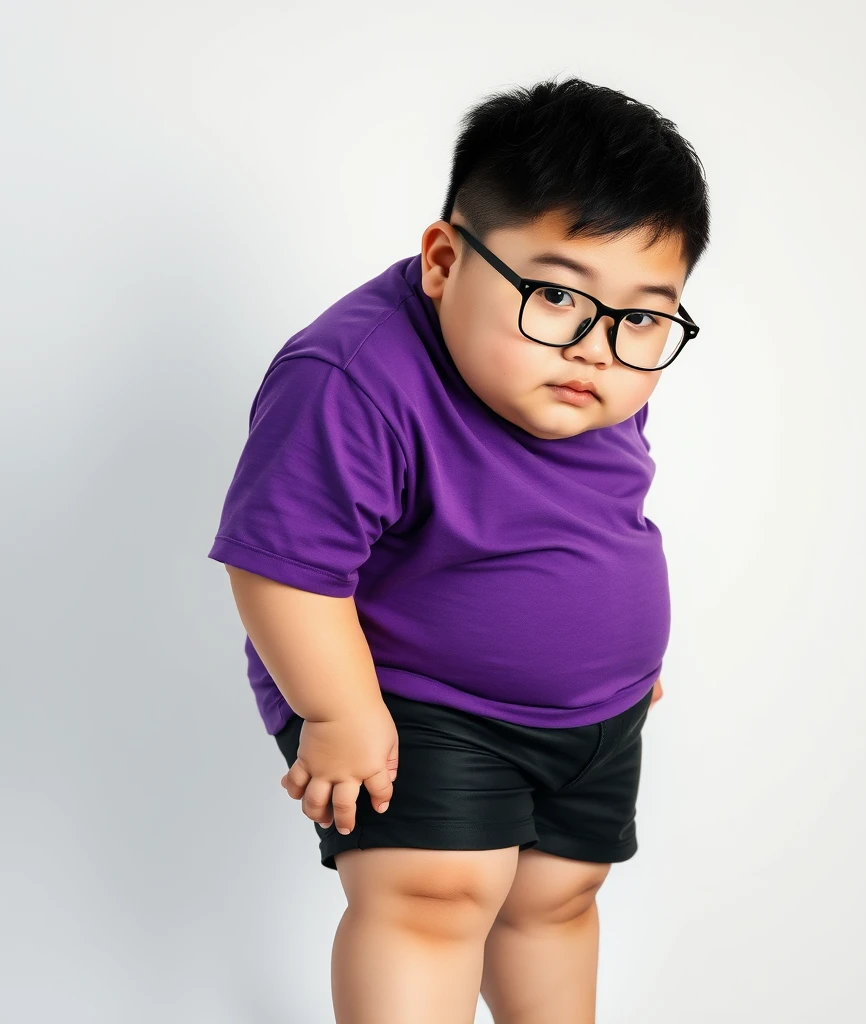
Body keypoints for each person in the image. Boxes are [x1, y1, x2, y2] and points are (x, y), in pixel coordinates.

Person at [207, 75, 710, 1024]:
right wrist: (339, 712)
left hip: (592, 716)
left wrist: (611, 647)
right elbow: (279, 563)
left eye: (643, 315)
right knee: (434, 898)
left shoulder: (586, 375)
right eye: (558, 294)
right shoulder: (353, 376)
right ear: (444, 260)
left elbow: (601, 515)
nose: (597, 348)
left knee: (555, 901)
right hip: (416, 704)